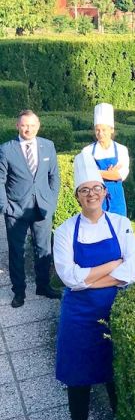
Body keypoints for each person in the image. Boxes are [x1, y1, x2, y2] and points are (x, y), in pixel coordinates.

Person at [54, 153, 135, 420]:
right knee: (78, 377)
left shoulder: (121, 223)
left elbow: (131, 272)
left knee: (113, 372)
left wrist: (89, 278)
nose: (91, 194)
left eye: (96, 188)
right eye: (84, 190)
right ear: (77, 196)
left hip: (114, 311)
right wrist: (111, 267)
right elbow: (69, 277)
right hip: (78, 315)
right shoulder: (65, 231)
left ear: (105, 192)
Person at [0, 110, 61, 308]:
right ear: (18, 126)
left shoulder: (48, 146)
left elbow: (54, 176)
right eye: (25, 125)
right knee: (17, 252)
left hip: (42, 207)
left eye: (32, 125)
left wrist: (51, 201)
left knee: (44, 248)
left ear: (38, 126)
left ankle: (43, 285)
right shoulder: (6, 150)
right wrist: (5, 206)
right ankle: (19, 291)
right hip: (16, 209)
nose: (29, 129)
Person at [80, 103, 129, 216]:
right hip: (94, 197)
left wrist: (97, 172)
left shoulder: (121, 149)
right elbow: (86, 176)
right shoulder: (87, 151)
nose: (100, 133)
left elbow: (121, 175)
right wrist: (108, 173)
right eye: (97, 130)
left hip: (116, 196)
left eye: (104, 130)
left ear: (111, 130)